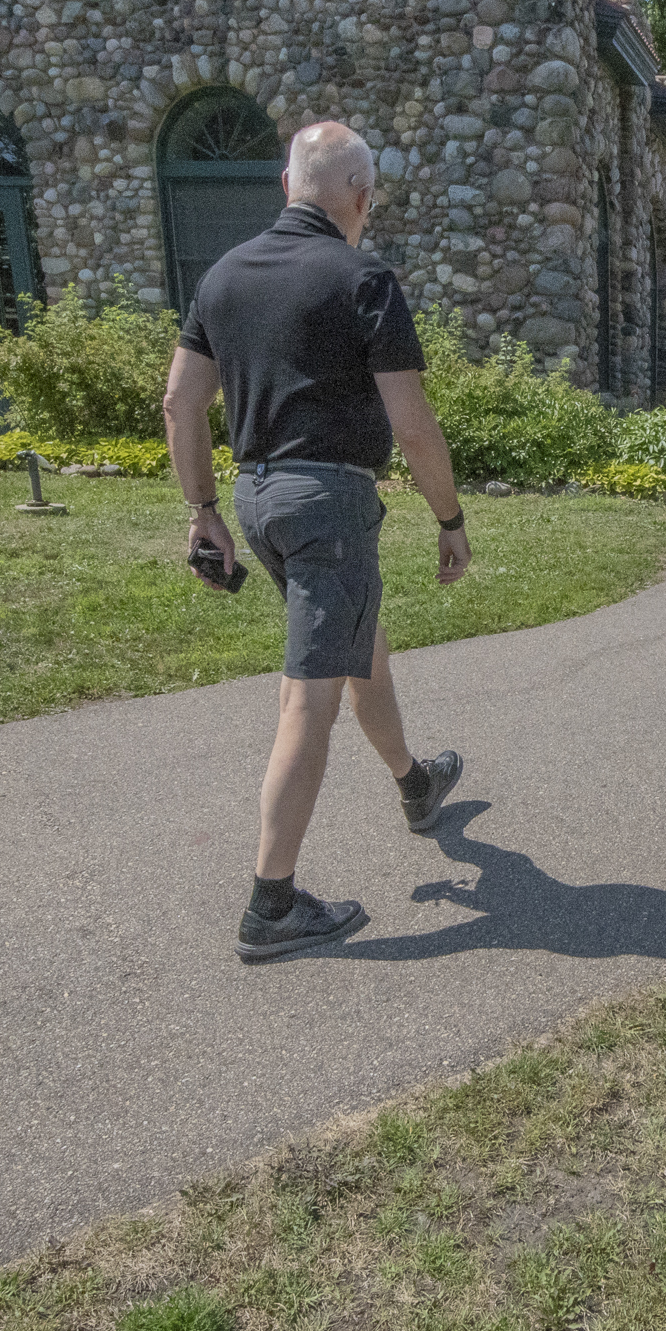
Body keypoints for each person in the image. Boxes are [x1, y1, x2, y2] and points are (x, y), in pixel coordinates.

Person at [162, 120, 471, 963]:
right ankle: (273, 904)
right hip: (329, 504)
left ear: (285, 187)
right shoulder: (363, 277)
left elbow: (181, 404)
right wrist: (449, 519)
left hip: (258, 501)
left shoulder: (223, 277)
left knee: (356, 648)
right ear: (361, 198)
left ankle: (416, 783)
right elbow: (411, 424)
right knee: (310, 698)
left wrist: (202, 511)